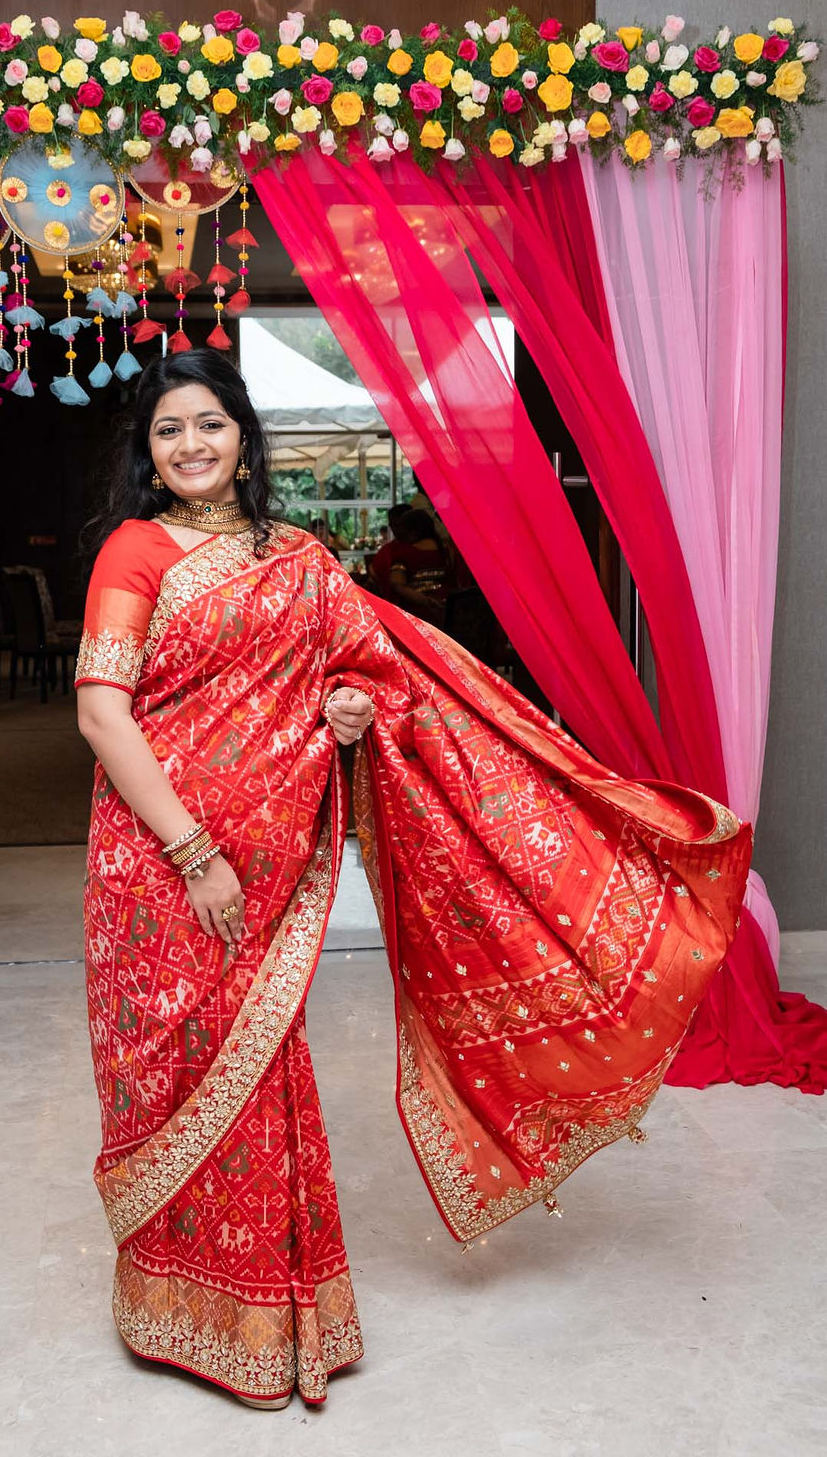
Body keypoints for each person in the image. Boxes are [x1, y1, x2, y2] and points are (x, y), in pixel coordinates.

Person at [75, 349, 751, 1411]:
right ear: (147, 454)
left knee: (264, 1072)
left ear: (243, 438)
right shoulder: (135, 550)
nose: (191, 445)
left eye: (209, 424)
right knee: (170, 1074)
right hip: (161, 862)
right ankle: (178, 1308)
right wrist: (192, 853)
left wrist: (347, 704)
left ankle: (272, 1316)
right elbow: (100, 713)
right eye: (169, 431)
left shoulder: (300, 558)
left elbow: (365, 668)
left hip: (270, 854)